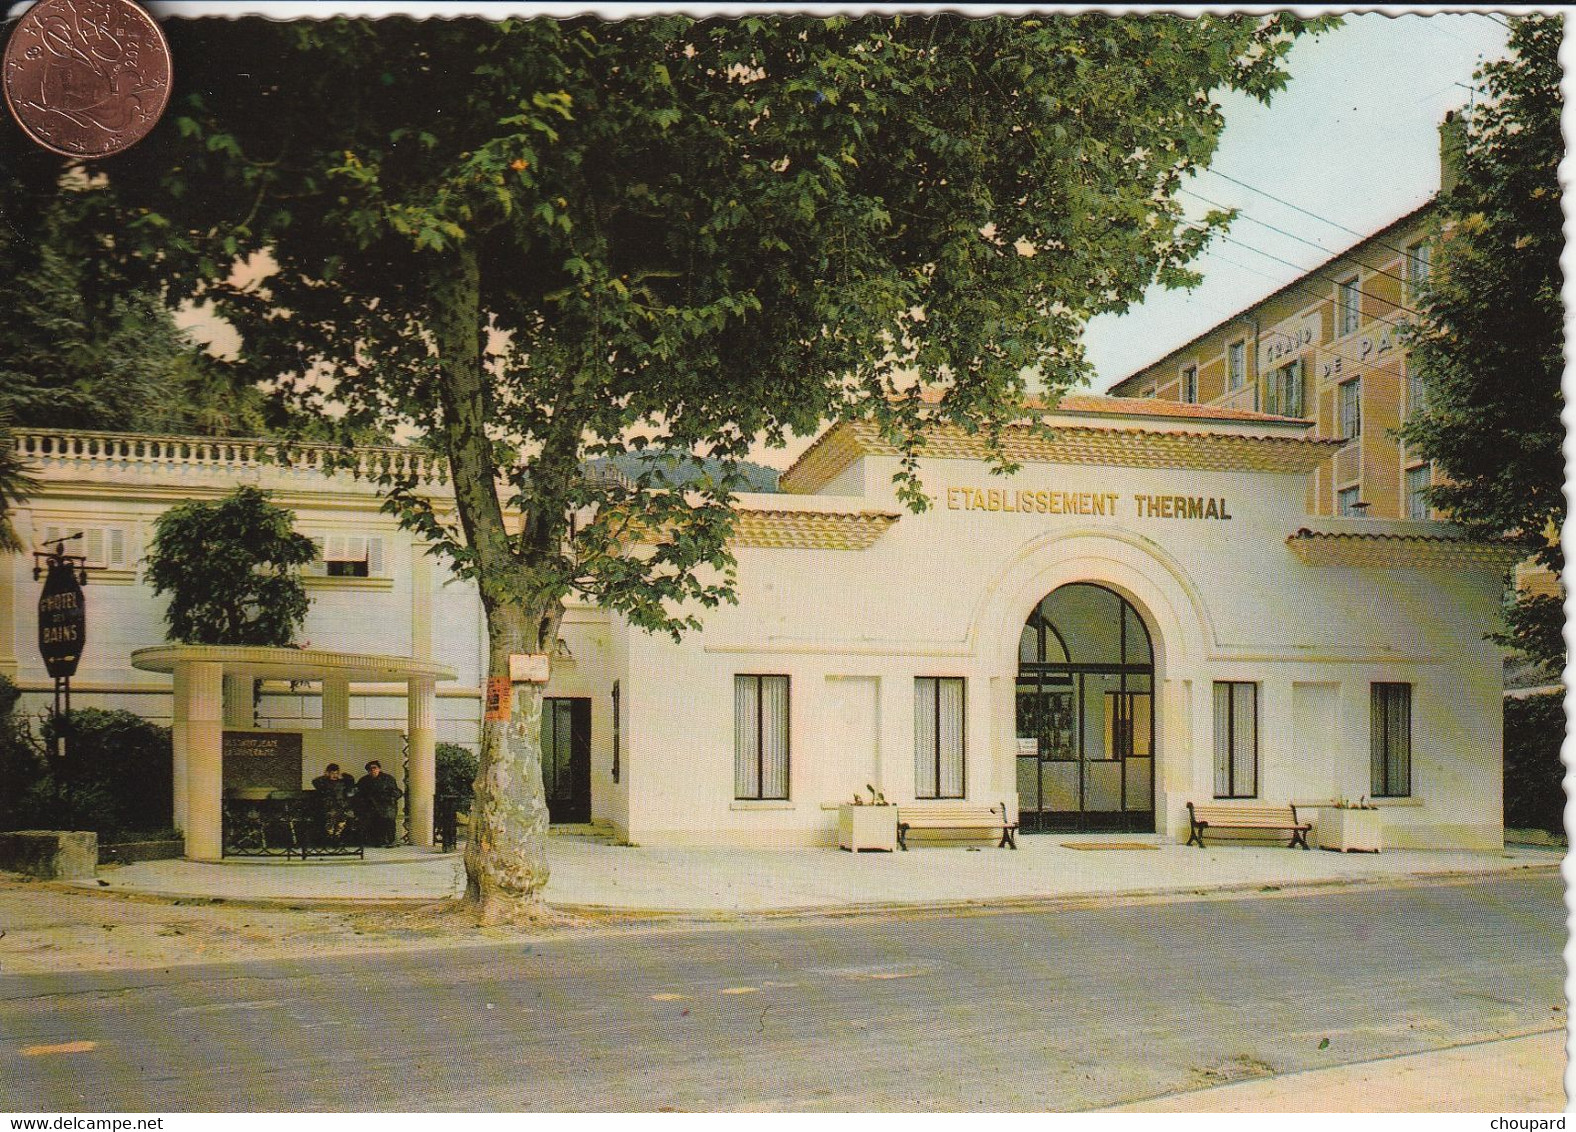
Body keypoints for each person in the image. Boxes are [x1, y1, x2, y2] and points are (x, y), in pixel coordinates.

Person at [357, 760, 403, 847]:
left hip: (387, 806)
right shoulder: (364, 781)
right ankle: (377, 841)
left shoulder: (388, 779)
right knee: (372, 821)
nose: (373, 770)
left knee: (388, 820)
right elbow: (359, 794)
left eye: (375, 768)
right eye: (370, 769)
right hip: (371, 807)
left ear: (379, 769)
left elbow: (396, 792)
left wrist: (390, 798)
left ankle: (390, 840)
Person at [310, 763, 357, 847]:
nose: (334, 775)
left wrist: (343, 775)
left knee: (344, 818)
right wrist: (325, 776)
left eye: (336, 773)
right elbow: (315, 782)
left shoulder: (342, 782)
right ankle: (330, 836)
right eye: (332, 773)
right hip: (329, 806)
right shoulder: (324, 782)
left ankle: (337, 837)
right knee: (331, 817)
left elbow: (351, 780)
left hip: (341, 806)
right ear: (328, 773)